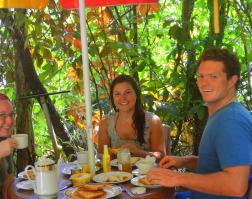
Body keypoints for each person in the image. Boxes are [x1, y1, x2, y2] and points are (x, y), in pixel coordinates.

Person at [147, 48, 252, 198]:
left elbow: (236, 185)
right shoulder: (222, 114)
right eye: (200, 76)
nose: (204, 83)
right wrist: (185, 161)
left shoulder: (231, 121)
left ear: (232, 80)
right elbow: (215, 167)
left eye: (213, 76)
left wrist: (176, 178)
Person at [98, 74, 165, 161]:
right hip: (115, 174)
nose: (123, 98)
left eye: (128, 92)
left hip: (147, 173)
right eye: (117, 94)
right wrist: (108, 154)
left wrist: (138, 152)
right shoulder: (105, 122)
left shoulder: (152, 121)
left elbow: (161, 156)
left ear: (136, 94)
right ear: (112, 98)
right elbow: (100, 155)